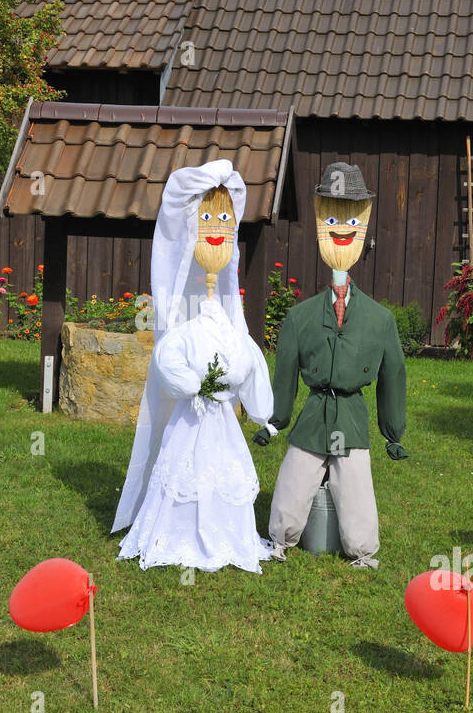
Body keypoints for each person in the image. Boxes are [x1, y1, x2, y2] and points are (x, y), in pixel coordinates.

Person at [112, 160, 274, 573]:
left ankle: (222, 530)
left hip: (219, 417)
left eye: (222, 219)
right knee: (182, 468)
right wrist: (194, 384)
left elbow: (249, 364)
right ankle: (180, 529)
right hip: (193, 412)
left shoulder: (232, 334)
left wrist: (260, 412)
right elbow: (168, 362)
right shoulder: (183, 333)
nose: (216, 225)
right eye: (206, 218)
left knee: (222, 469)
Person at [253, 162, 407, 569]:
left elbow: (393, 376)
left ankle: (362, 550)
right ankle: (280, 541)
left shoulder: (379, 320)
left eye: (351, 218)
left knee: (355, 483)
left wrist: (393, 431)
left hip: (351, 418)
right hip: (314, 415)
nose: (342, 229)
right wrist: (275, 420)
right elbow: (284, 371)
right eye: (334, 217)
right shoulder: (301, 318)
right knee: (294, 477)